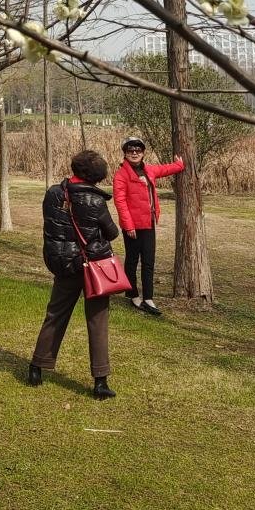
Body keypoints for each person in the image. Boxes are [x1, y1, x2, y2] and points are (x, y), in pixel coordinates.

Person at [29, 149, 120, 400]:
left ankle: (37, 367)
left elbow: (53, 225)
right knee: (98, 321)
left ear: (75, 168)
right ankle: (100, 381)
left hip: (64, 264)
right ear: (97, 175)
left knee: (55, 314)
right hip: (94, 267)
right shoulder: (96, 201)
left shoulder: (54, 193)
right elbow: (112, 233)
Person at [110, 136, 184, 316]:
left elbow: (164, 169)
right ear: (125, 154)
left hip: (149, 223)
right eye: (130, 151)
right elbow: (120, 202)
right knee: (132, 260)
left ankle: (149, 297)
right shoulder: (121, 175)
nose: (134, 153)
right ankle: (133, 294)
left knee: (149, 261)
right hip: (132, 226)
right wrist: (128, 226)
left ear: (143, 152)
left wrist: (179, 166)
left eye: (138, 150)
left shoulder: (148, 170)